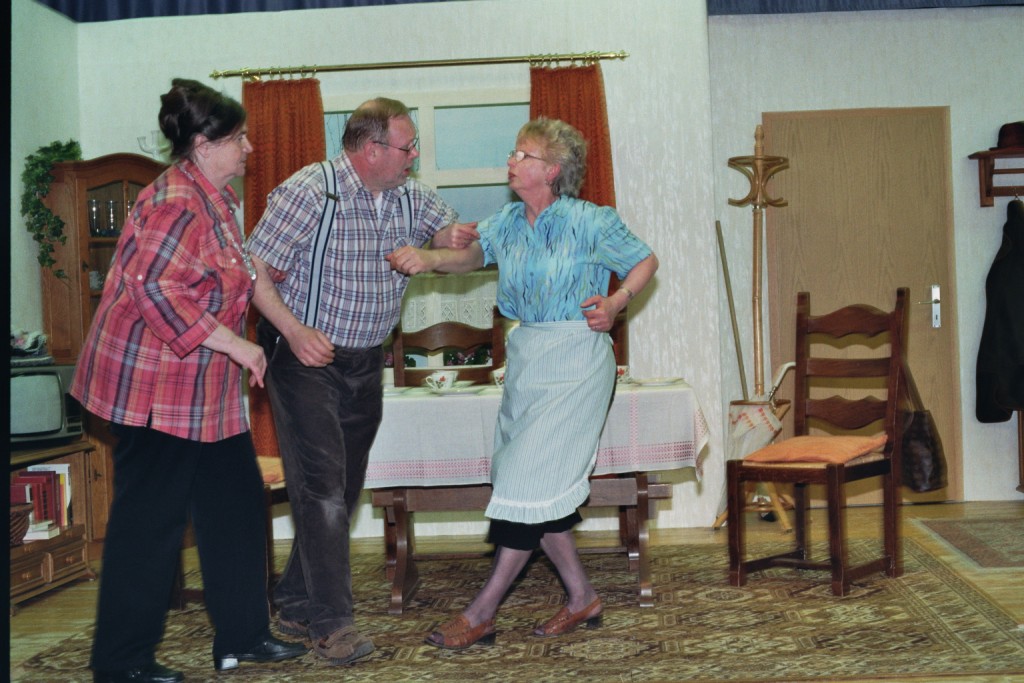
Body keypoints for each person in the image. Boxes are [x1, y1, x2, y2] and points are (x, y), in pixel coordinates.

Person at [387, 117, 659, 649]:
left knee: (525, 481)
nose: (510, 161)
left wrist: (616, 302)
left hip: (577, 357)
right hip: (528, 356)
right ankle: (582, 598)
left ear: (552, 170)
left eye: (522, 154)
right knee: (533, 484)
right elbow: (469, 256)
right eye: (513, 152)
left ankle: (482, 611)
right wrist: (429, 258)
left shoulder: (591, 220)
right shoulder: (508, 221)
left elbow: (644, 260)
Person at [71, 79, 308, 683]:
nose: (249, 148)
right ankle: (120, 662)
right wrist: (238, 344)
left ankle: (243, 637)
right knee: (149, 526)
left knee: (236, 506)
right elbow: (155, 289)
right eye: (238, 139)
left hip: (203, 392)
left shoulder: (216, 197)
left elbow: (232, 273)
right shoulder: (176, 201)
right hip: (152, 390)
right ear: (204, 144)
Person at [246, 96, 478, 665]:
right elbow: (253, 271)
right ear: (371, 149)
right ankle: (334, 627)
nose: (414, 155)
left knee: (343, 488)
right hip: (304, 358)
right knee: (322, 487)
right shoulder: (310, 191)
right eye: (407, 146)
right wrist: (295, 331)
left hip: (365, 361)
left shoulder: (411, 197)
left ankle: (295, 599)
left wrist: (437, 255)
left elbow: (470, 254)